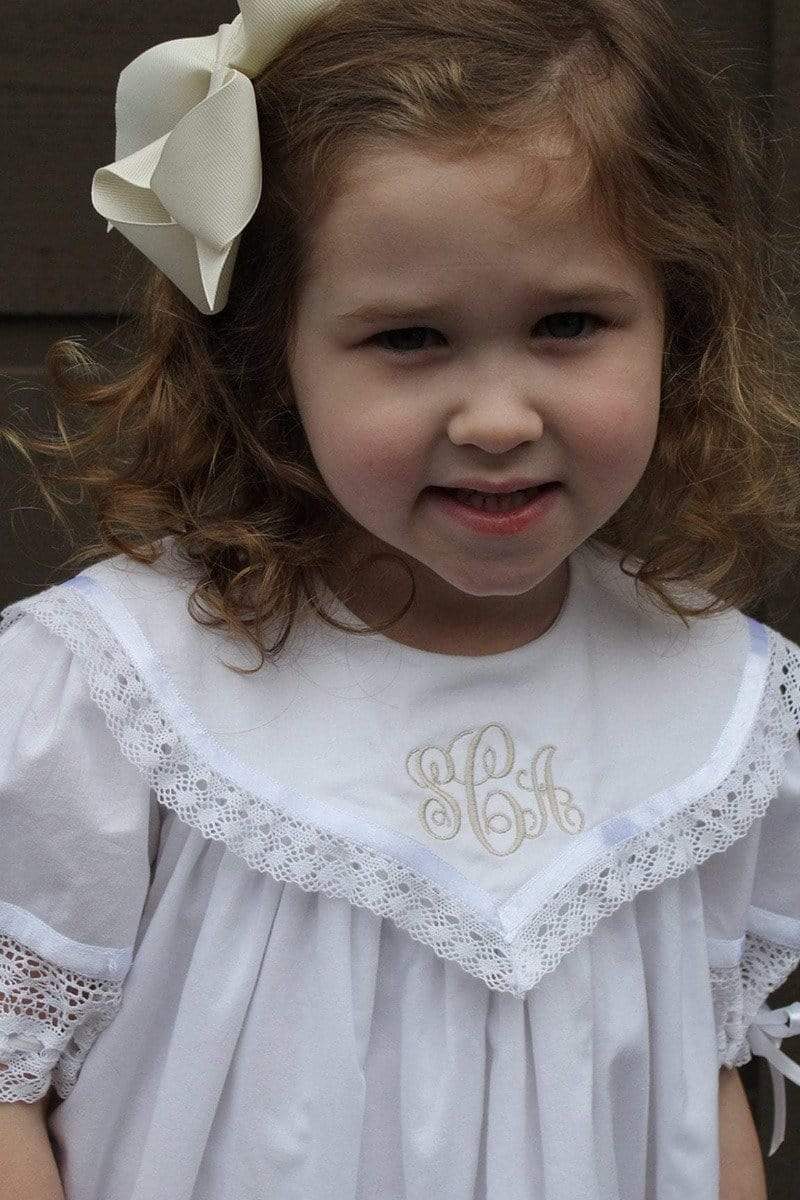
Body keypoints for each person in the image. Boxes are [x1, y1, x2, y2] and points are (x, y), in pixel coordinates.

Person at [1, 0, 800, 1197]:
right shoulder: (124, 690)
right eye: (411, 338)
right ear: (273, 354)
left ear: (674, 325)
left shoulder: (712, 709)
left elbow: (702, 1087)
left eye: (567, 324)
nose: (494, 418)